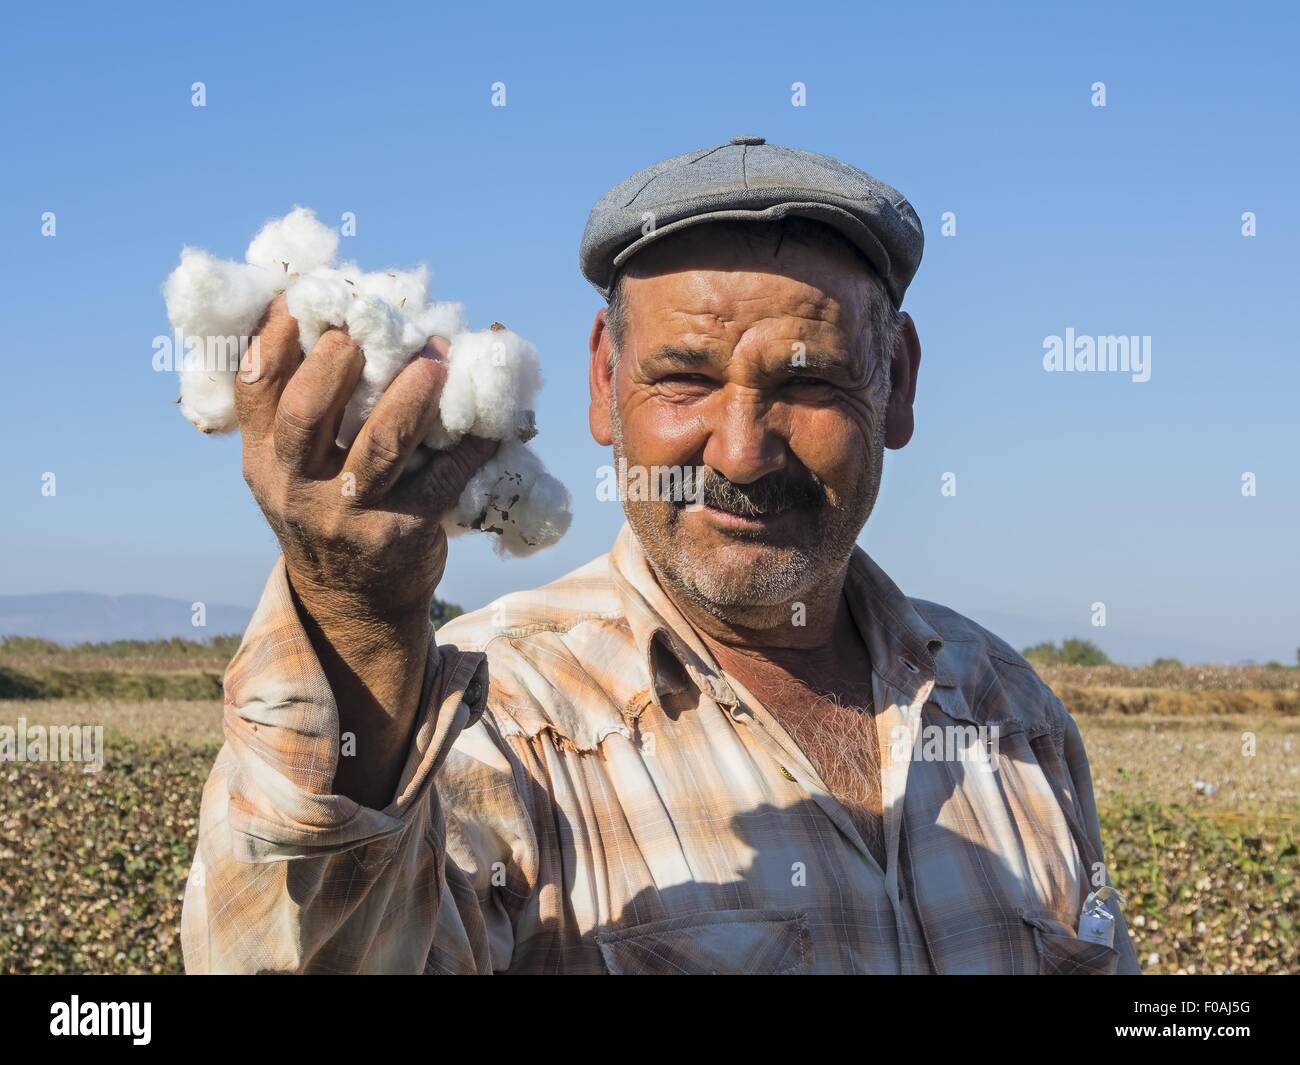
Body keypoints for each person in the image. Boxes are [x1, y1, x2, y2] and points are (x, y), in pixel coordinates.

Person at [182, 136, 1138, 974]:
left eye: (808, 381)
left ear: (897, 386)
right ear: (604, 381)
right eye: (683, 378)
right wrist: (354, 615)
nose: (741, 449)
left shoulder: (1009, 710)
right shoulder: (500, 722)